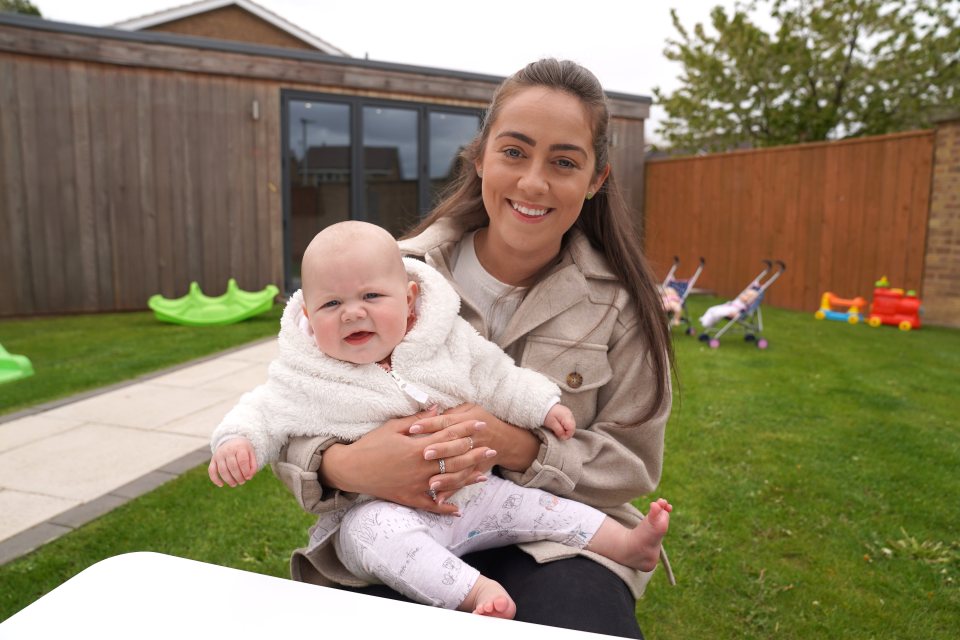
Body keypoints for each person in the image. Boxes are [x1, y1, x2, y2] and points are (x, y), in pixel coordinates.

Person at [273, 59, 675, 638]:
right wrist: (343, 464)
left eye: (563, 162)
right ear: (480, 155)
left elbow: (632, 463)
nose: (533, 182)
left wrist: (513, 445)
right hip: (397, 529)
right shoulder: (388, 274)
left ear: (595, 179)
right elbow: (290, 404)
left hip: (558, 544)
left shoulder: (624, 306)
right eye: (514, 152)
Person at [209, 221, 672, 618]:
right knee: (371, 535)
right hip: (383, 511)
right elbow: (263, 410)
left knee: (544, 511)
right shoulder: (308, 372)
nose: (353, 312)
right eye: (331, 305)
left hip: (476, 493)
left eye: (372, 295)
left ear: (410, 299)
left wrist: (543, 405)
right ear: (308, 316)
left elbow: (497, 375)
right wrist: (237, 440)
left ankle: (626, 545)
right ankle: (474, 593)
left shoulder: (443, 339)